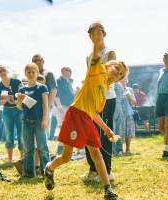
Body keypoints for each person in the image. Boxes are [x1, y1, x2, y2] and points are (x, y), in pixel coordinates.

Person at [44, 42, 129, 200]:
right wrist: (97, 42)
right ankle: (49, 168)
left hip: (87, 119)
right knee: (66, 157)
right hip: (75, 115)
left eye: (121, 73)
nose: (118, 72)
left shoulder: (104, 95)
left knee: (97, 153)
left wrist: (106, 129)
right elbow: (95, 57)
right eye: (116, 68)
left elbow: (94, 114)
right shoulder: (97, 74)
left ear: (120, 79)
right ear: (107, 67)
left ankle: (108, 190)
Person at [82, 22, 117, 182]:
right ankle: (93, 169)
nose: (96, 36)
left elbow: (109, 76)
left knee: (104, 134)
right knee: (89, 134)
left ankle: (107, 170)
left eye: (99, 33)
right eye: (93, 34)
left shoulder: (109, 53)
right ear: (89, 37)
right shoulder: (88, 57)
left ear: (104, 34)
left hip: (106, 98)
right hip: (90, 100)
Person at [17, 63, 50, 177]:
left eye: (33, 72)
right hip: (26, 121)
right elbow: (21, 107)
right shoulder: (22, 89)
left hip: (38, 120)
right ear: (25, 73)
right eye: (28, 72)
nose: (31, 74)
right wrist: (20, 101)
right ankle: (29, 172)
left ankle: (46, 171)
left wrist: (44, 120)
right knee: (28, 148)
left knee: (42, 147)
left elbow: (45, 105)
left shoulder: (41, 87)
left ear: (37, 73)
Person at [0, 65, 24, 162]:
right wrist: (6, 99)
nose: (3, 73)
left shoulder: (16, 81)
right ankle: (10, 158)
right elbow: (0, 102)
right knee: (9, 134)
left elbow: (23, 94)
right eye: (0, 71)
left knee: (21, 133)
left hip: (19, 110)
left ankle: (22, 157)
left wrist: (17, 101)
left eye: (4, 70)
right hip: (7, 111)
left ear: (7, 71)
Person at [32, 54, 57, 137]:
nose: (37, 62)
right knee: (33, 132)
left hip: (45, 106)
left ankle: (42, 150)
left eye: (39, 60)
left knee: (43, 131)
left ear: (43, 61)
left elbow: (53, 90)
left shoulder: (49, 74)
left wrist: (48, 106)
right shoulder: (31, 74)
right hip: (32, 107)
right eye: (34, 61)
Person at [54, 67, 75, 155]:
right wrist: (59, 105)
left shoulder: (69, 82)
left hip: (69, 107)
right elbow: (56, 93)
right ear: (62, 71)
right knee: (61, 126)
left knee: (68, 127)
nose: (69, 72)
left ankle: (67, 147)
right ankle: (60, 148)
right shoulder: (59, 80)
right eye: (67, 70)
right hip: (62, 106)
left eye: (70, 70)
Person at [119, 77, 136, 154]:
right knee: (120, 131)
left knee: (128, 132)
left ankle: (128, 149)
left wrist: (129, 96)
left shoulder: (130, 90)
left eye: (124, 80)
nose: (123, 81)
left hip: (128, 113)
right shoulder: (116, 89)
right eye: (121, 79)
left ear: (126, 81)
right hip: (119, 114)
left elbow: (133, 103)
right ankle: (119, 148)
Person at [112, 81, 124, 156]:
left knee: (112, 128)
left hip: (113, 106)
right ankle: (120, 149)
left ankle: (113, 150)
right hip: (119, 107)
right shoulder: (120, 84)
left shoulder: (113, 83)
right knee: (118, 129)